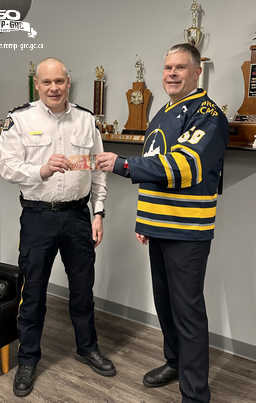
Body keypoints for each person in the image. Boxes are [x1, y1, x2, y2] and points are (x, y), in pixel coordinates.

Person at [97, 43, 229, 403]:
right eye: (168, 67)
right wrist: (145, 221)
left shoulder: (207, 114)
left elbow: (183, 166)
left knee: (188, 312)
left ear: (197, 71)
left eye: (180, 68)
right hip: (159, 226)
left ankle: (195, 394)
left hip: (187, 231)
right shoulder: (162, 112)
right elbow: (156, 170)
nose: (171, 74)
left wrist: (123, 165)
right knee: (166, 304)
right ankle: (174, 361)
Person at [0, 57, 116, 398]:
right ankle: (28, 359)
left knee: (83, 288)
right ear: (38, 84)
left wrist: (99, 213)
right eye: (47, 82)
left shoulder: (86, 119)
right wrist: (42, 171)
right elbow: (7, 166)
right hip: (38, 217)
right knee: (32, 293)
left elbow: (97, 170)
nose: (54, 88)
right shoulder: (19, 119)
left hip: (79, 216)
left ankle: (87, 347)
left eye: (59, 82)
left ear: (69, 82)